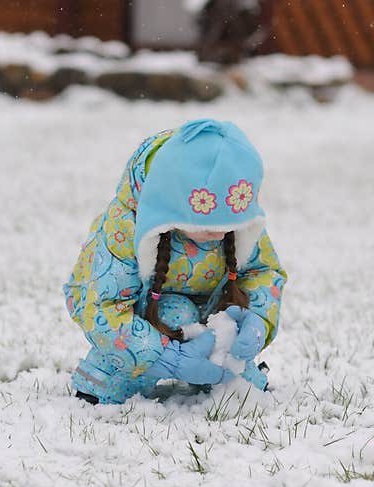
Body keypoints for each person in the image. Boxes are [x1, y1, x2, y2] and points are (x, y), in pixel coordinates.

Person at [62, 118, 287, 405]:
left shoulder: (237, 223)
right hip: (139, 317)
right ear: (170, 202)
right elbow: (104, 307)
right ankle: (109, 371)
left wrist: (257, 320)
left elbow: (263, 272)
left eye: (228, 223)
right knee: (172, 315)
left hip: (208, 313)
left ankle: (221, 368)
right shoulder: (124, 228)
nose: (219, 233)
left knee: (236, 380)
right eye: (207, 224)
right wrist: (169, 358)